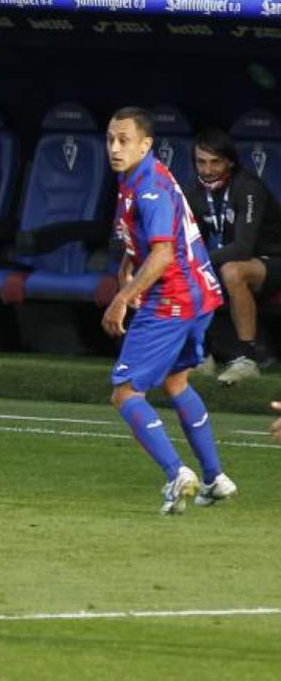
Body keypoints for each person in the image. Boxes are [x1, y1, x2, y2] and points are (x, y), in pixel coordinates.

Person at [102, 106, 237, 514]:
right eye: (110, 139)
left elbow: (162, 254)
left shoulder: (150, 188)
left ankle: (177, 473)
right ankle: (215, 478)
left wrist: (121, 298)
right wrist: (128, 267)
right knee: (176, 382)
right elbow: (145, 241)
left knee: (126, 392)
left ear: (146, 144)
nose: (114, 148)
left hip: (172, 298)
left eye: (124, 140)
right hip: (200, 295)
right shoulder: (140, 177)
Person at [182, 127, 281, 385]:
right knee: (186, 271)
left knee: (232, 270)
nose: (207, 170)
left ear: (230, 161)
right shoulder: (195, 193)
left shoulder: (248, 188)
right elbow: (191, 241)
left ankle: (247, 360)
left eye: (215, 162)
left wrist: (198, 261)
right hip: (234, 260)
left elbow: (243, 248)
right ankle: (202, 356)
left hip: (272, 261)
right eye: (201, 162)